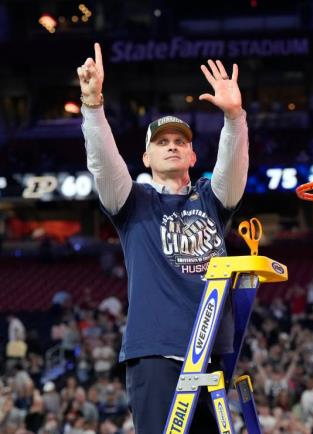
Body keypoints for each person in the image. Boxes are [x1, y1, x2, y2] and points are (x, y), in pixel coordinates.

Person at [77, 43, 248, 433]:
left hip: (211, 352)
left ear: (192, 157)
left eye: (181, 142)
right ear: (147, 158)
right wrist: (92, 105)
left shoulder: (210, 197)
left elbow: (233, 170)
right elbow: (104, 163)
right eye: (161, 142)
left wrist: (235, 117)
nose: (172, 145)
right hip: (155, 351)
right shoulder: (132, 202)